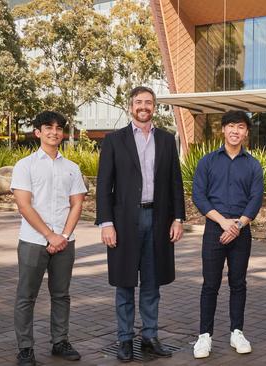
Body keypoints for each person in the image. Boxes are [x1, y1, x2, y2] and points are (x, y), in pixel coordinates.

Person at [95, 86, 185, 362]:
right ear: (130, 106)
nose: (143, 106)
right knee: (124, 284)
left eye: (148, 102)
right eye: (138, 102)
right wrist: (106, 223)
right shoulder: (114, 141)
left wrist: (178, 218)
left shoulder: (168, 140)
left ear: (154, 107)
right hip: (123, 222)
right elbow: (103, 186)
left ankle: (149, 336)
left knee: (151, 283)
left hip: (158, 220)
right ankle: (124, 339)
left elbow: (175, 183)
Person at [11, 111, 87, 366]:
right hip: (33, 241)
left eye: (58, 128)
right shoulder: (25, 165)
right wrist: (49, 235)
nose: (54, 132)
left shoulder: (72, 168)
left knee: (61, 295)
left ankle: (60, 342)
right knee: (26, 296)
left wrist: (63, 236)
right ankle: (25, 349)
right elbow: (24, 206)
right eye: (48, 127)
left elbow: (77, 204)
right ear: (37, 132)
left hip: (66, 242)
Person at [191, 110, 264, 359]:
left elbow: (256, 199)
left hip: (241, 232)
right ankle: (204, 336)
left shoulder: (253, 164)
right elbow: (199, 196)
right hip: (214, 229)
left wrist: (237, 226)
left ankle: (237, 332)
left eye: (241, 127)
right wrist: (223, 223)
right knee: (210, 285)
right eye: (231, 126)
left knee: (238, 284)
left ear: (246, 132)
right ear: (223, 129)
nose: (235, 131)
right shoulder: (208, 162)